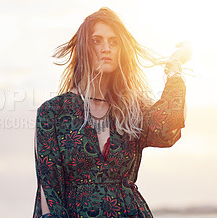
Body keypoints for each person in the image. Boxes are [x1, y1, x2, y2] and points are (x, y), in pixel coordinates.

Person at [33, 7, 190, 218]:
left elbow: (167, 126)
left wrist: (174, 71)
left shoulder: (133, 108)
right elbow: (49, 190)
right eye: (97, 40)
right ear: (83, 48)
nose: (106, 47)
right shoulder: (53, 112)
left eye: (114, 42)